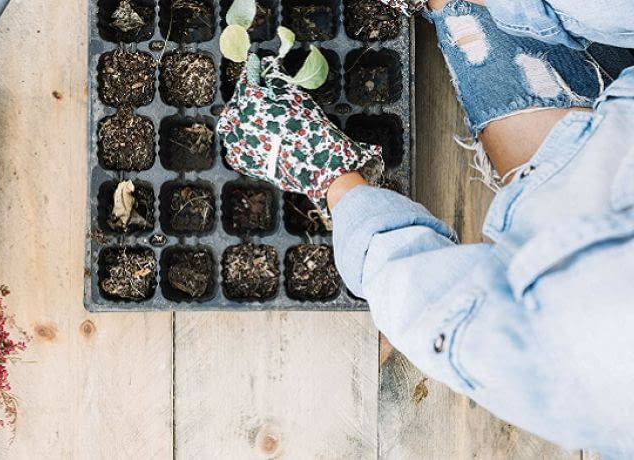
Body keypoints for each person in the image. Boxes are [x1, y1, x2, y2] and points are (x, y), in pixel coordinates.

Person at [217, 0, 634, 457]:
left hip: (581, 169)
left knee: (472, 29)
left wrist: (327, 172)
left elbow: (441, 309)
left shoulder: (603, 367)